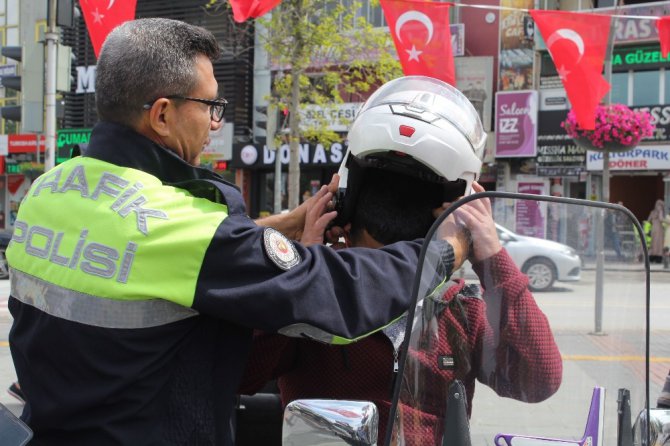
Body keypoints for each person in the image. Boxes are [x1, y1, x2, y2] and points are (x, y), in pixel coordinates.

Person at [5, 20, 467, 446]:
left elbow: (167, 256)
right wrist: (448, 247)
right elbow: (339, 298)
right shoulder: (174, 222)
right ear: (162, 115)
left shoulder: (51, 189)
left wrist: (290, 222)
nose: (215, 122)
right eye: (210, 105)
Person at [240, 76, 563, 444]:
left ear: (345, 198)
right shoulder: (314, 294)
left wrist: (494, 258)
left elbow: (538, 380)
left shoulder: (459, 307)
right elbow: (244, 374)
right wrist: (299, 271)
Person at [648, 199, 666, 263]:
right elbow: (661, 219)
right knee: (659, 244)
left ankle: (652, 257)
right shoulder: (660, 211)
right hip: (659, 229)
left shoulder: (652, 212)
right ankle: (658, 257)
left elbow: (649, 220)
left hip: (653, 229)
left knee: (653, 243)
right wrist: (667, 220)